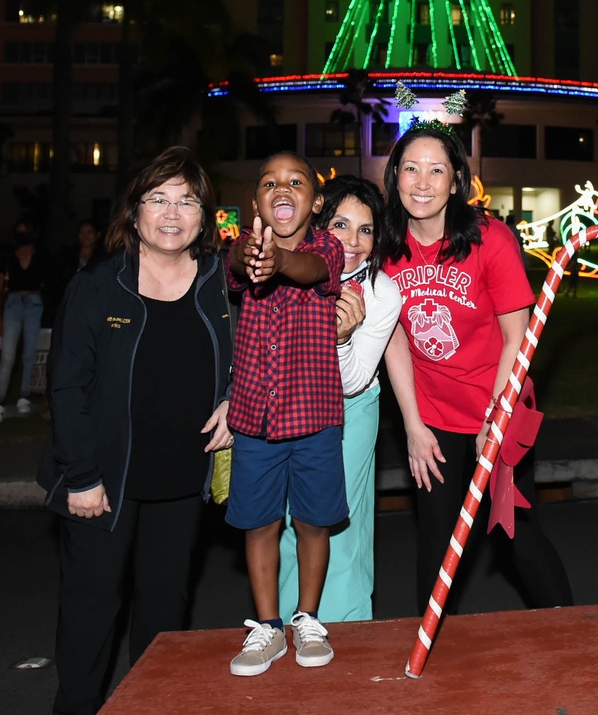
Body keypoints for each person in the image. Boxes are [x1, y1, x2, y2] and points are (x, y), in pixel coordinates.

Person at [37, 146, 233, 715]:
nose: (172, 214)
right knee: (91, 609)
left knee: (164, 614)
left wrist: (234, 402)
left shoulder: (221, 283)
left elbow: (256, 351)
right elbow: (68, 385)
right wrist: (81, 476)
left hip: (181, 480)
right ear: (136, 211)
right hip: (103, 481)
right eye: (159, 199)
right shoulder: (99, 284)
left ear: (204, 215)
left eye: (187, 201)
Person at [381, 122, 573, 615]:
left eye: (436, 170)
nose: (422, 182)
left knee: (516, 534)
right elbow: (395, 338)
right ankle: (432, 661)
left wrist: (496, 415)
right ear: (395, 177)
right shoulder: (387, 246)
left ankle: (568, 628)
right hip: (435, 416)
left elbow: (518, 337)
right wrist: (412, 425)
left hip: (500, 403)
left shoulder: (490, 239)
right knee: (438, 540)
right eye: (410, 168)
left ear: (456, 181)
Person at [225, 152, 346, 677]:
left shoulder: (327, 248)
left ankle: (307, 618)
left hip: (315, 419)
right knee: (259, 524)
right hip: (255, 421)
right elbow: (234, 265)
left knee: (314, 523)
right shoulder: (242, 249)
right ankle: (268, 627)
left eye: (296, 182)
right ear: (256, 201)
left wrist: (277, 261)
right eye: (270, 182)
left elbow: (311, 269)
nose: (282, 188)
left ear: (315, 202)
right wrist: (253, 256)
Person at [277, 175, 402, 622]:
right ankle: (292, 625)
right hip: (291, 408)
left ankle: (345, 626)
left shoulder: (382, 293)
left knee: (338, 524)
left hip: (350, 410)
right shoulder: (292, 272)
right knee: (291, 523)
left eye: (365, 230)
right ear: (319, 226)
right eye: (341, 225)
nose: (353, 241)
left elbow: (351, 381)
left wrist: (343, 338)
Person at [0, 219, 52, 423]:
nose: (22, 235)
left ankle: (23, 397)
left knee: (30, 355)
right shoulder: (7, 258)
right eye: (18, 231)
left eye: (25, 231)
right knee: (7, 356)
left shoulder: (42, 257)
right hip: (13, 305)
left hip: (35, 304)